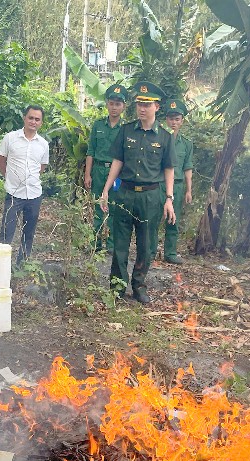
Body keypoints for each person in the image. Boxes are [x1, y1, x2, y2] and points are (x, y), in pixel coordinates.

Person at [99, 82, 176, 305]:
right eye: (139, 104)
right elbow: (117, 161)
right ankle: (117, 286)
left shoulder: (164, 137)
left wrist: (169, 199)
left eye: (147, 104)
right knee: (120, 243)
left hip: (150, 197)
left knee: (146, 244)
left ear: (157, 107)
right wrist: (106, 190)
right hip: (125, 193)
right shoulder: (126, 130)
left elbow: (169, 169)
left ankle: (139, 285)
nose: (142, 108)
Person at [0, 105, 50, 265]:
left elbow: (41, 167)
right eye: (31, 118)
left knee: (29, 233)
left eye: (37, 119)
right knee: (7, 231)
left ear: (41, 122)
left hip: (34, 195)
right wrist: (10, 178)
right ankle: (0, 263)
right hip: (14, 194)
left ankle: (22, 265)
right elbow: (0, 161)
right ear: (24, 118)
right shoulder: (10, 138)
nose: (33, 122)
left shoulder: (43, 144)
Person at [149, 98, 193, 264]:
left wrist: (188, 190)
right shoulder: (158, 138)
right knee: (153, 219)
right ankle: (151, 251)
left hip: (178, 186)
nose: (173, 122)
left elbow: (187, 167)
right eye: (170, 118)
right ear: (165, 120)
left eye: (177, 119)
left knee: (174, 220)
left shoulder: (187, 144)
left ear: (182, 121)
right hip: (159, 185)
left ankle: (171, 253)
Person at [84, 84, 127, 252]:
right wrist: (88, 174)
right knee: (97, 207)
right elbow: (91, 151)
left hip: (117, 173)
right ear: (107, 104)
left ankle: (111, 245)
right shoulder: (98, 125)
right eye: (111, 103)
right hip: (99, 170)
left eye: (118, 104)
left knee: (114, 207)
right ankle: (95, 243)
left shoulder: (125, 128)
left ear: (123, 106)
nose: (114, 107)